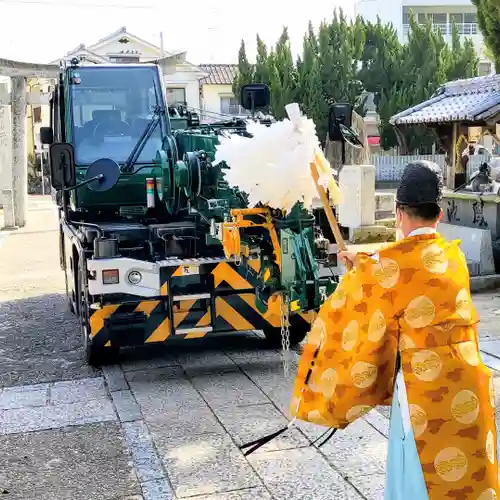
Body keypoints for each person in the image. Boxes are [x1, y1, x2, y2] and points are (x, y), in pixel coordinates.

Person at [290, 160, 498, 499]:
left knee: (420, 481)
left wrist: (359, 276)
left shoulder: (385, 268)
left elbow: (359, 314)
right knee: (468, 481)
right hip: (469, 388)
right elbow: (410, 265)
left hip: (424, 394)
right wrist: (365, 264)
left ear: (398, 213)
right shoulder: (453, 256)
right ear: (439, 215)